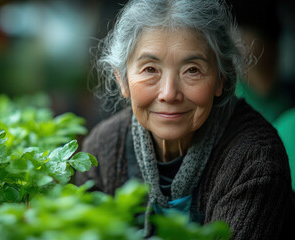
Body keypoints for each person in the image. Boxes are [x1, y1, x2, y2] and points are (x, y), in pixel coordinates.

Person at [75, 0, 295, 239]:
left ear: (221, 79)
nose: (169, 93)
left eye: (192, 70)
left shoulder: (255, 161)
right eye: (150, 69)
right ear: (122, 80)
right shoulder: (103, 148)